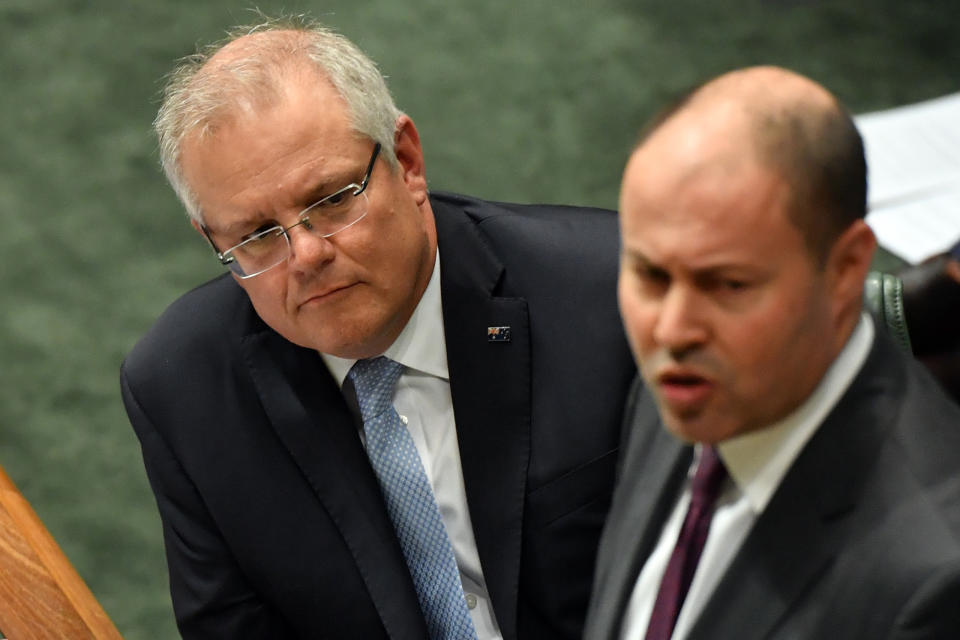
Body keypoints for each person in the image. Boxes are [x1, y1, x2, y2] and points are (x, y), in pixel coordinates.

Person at [120, 16, 635, 640]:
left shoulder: (613, 296)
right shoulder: (185, 389)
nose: (306, 256)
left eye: (333, 198)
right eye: (257, 236)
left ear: (408, 162)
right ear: (213, 240)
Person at [584, 66, 960, 640]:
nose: (672, 329)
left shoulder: (931, 580)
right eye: (650, 275)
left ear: (846, 269)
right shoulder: (688, 383)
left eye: (729, 285)